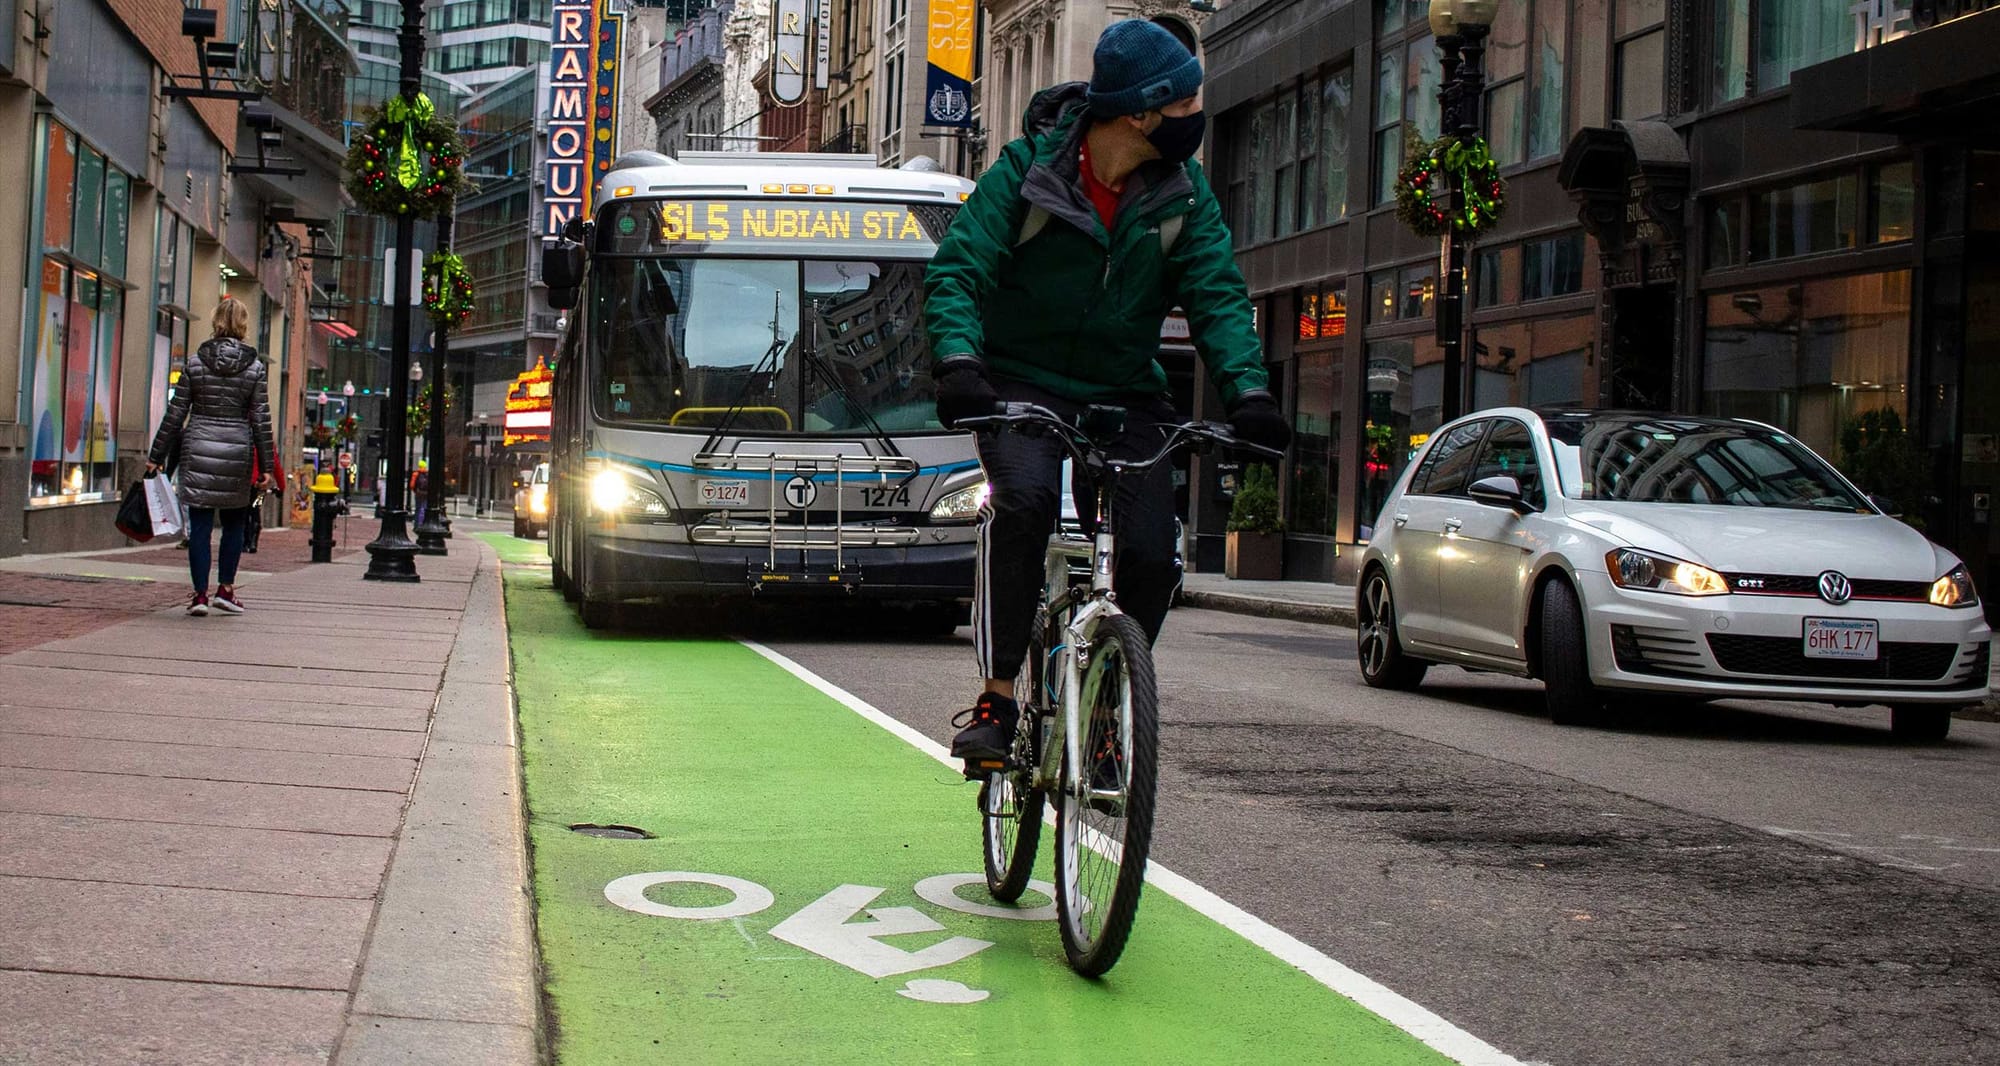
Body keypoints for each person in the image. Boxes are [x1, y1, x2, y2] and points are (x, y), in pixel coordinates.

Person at [924, 19, 1291, 773]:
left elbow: (1219, 298)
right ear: (1140, 113)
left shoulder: (1183, 200)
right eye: (1188, 104)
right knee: (1020, 505)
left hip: (1125, 394)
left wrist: (1249, 393)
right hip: (1020, 384)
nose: (1198, 116)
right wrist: (961, 361)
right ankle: (996, 696)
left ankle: (1106, 704)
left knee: (1155, 555)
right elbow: (959, 270)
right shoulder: (1027, 175)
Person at [146, 296, 277, 616]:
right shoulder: (255, 368)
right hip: (236, 450)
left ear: (215, 321)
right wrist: (268, 467)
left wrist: (156, 454)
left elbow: (176, 413)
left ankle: (200, 595)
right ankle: (226, 589)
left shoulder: (195, 362)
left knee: (201, 526)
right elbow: (261, 418)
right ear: (244, 325)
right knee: (234, 524)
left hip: (199, 446)